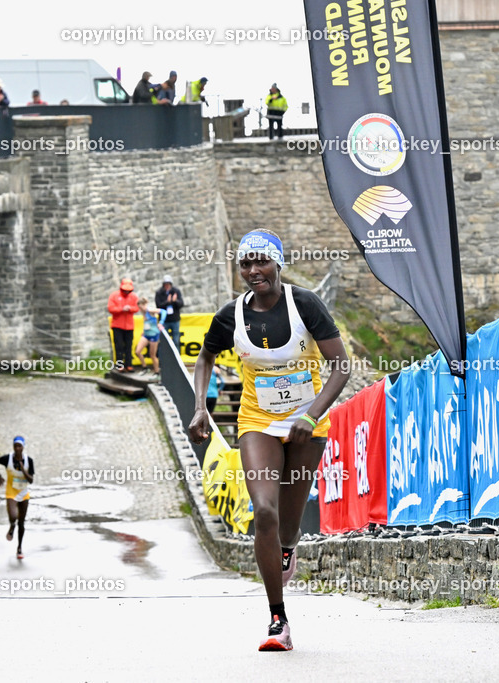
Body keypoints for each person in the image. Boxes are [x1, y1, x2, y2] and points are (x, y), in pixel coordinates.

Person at [188, 229, 350, 651]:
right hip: (257, 420)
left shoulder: (305, 305)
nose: (253, 270)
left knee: (289, 525)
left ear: (278, 263)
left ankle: (287, 548)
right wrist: (200, 408)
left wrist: (311, 414)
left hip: (306, 424)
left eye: (261, 262)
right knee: (264, 510)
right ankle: (278, 620)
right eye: (245, 263)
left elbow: (341, 367)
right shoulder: (231, 315)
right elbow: (206, 356)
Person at [0, 436, 35, 560]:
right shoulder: (8, 459)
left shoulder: (29, 461)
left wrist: (23, 470)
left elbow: (31, 480)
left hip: (23, 493)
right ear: (13, 446)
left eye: (19, 446)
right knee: (13, 516)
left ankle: (19, 548)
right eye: (15, 446)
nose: (17, 448)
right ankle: (12, 526)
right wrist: (0, 477)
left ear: (23, 447)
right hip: (11, 492)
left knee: (21, 522)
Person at [108, 278, 139, 372]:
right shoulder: (114, 295)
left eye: (128, 290)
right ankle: (119, 365)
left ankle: (129, 364)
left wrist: (130, 308)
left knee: (129, 346)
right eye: (125, 290)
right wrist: (121, 309)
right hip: (117, 325)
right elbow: (110, 308)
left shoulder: (133, 297)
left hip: (129, 326)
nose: (126, 292)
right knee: (119, 346)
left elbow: (137, 307)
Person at [134, 297, 166, 375]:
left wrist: (161, 322)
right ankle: (145, 367)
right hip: (146, 335)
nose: (140, 309)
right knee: (137, 352)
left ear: (144, 305)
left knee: (152, 355)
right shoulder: (143, 312)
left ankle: (156, 372)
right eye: (139, 308)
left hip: (154, 335)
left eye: (141, 307)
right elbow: (147, 324)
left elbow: (164, 311)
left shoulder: (150, 310)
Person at [154, 274, 184, 350]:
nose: (167, 286)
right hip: (164, 320)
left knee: (176, 340)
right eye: (165, 284)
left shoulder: (176, 291)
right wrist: (167, 302)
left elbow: (181, 304)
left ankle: (177, 358)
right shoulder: (159, 292)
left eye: (168, 284)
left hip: (175, 319)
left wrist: (175, 301)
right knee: (164, 341)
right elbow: (158, 306)